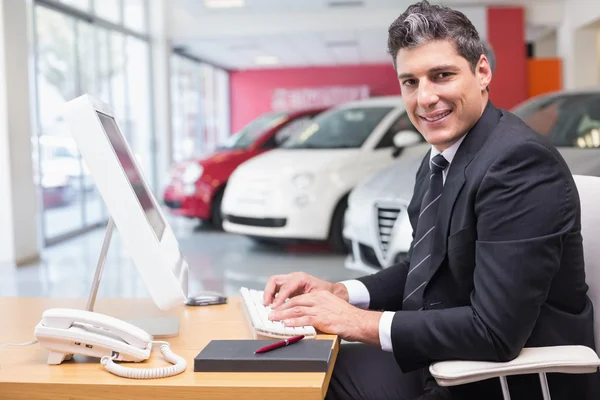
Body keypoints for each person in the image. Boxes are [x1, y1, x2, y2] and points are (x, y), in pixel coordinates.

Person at [262, 1, 600, 399]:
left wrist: (358, 323)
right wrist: (342, 293)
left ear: (482, 72)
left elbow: (495, 332)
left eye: (441, 76)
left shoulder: (519, 163)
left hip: (505, 378)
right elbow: (427, 268)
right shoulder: (442, 156)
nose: (425, 98)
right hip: (446, 356)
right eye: (410, 82)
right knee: (299, 375)